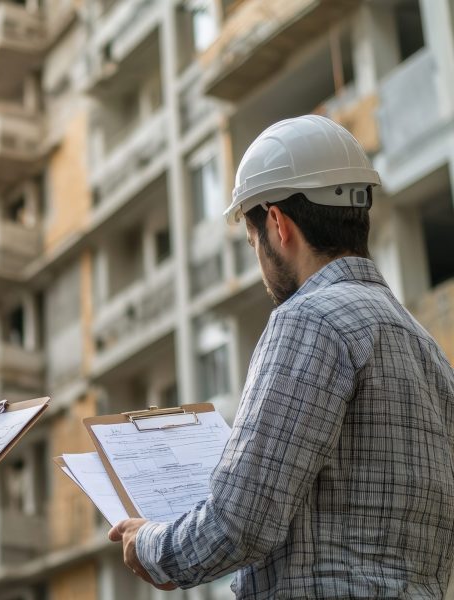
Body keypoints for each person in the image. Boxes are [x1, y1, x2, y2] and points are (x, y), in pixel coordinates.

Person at [108, 115, 454, 598]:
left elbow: (237, 523)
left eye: (253, 242)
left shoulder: (308, 319)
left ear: (276, 223)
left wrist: (147, 543)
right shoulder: (425, 345)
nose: (258, 260)